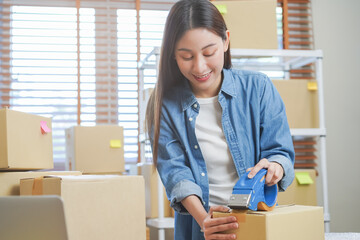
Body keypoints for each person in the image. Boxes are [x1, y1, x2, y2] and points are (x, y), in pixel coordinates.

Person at [146, 0, 295, 239]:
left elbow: (280, 152)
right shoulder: (164, 103)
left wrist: (275, 167)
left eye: (208, 52)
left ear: (226, 41)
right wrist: (205, 219)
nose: (200, 66)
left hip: (255, 222)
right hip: (200, 226)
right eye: (186, 56)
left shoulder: (258, 88)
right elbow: (176, 174)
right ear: (173, 55)